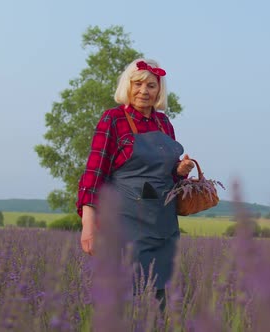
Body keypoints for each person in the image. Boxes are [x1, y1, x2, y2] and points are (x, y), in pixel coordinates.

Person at [76, 58, 194, 311]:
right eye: (138, 83)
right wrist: (88, 225)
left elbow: (168, 178)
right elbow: (94, 173)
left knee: (159, 297)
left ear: (159, 90)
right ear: (127, 86)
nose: (144, 91)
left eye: (151, 85)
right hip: (124, 221)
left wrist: (180, 172)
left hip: (162, 221)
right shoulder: (113, 119)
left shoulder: (164, 123)